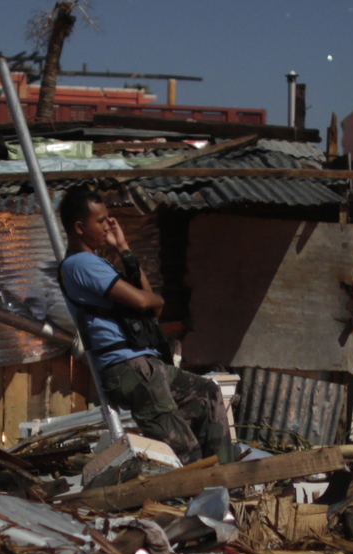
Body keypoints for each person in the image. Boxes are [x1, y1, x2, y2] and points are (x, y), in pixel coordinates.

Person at [55, 184, 232, 464]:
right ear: (79, 227)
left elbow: (148, 303)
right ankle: (197, 496)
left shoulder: (97, 262)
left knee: (207, 394)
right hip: (129, 369)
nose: (106, 227)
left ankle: (224, 480)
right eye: (100, 221)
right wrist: (153, 298)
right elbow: (141, 301)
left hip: (146, 365)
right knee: (183, 450)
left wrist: (123, 248)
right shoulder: (80, 264)